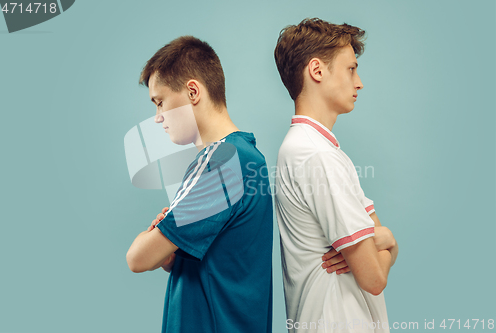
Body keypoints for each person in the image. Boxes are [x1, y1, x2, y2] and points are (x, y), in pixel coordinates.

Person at [126, 36, 273, 333]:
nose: (157, 118)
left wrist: (154, 236)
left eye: (160, 102)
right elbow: (218, 259)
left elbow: (137, 258)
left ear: (193, 91)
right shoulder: (239, 157)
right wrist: (170, 250)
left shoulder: (223, 163)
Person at [273, 18, 399, 332]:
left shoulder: (321, 151)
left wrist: (377, 242)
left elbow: (372, 245)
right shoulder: (317, 155)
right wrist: (389, 241)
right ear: (317, 70)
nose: (359, 83)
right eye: (351, 69)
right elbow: (373, 277)